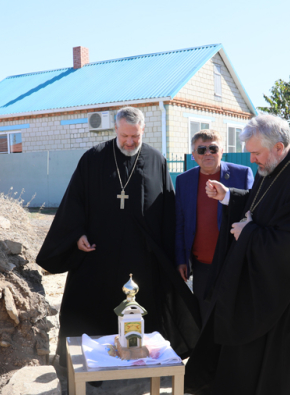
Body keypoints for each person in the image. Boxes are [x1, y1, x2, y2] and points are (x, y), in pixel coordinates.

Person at [184, 114, 290, 395]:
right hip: (259, 282)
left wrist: (248, 233)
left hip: (282, 290)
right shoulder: (273, 167)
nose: (252, 160)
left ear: (278, 147)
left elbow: (289, 242)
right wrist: (229, 196)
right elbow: (258, 204)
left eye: (256, 153)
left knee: (273, 357)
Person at [36, 107, 200, 368]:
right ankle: (92, 365)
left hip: (142, 259)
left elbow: (169, 214)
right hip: (100, 254)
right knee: (92, 309)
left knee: (144, 311)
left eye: (135, 136)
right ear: (115, 130)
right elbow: (74, 202)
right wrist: (77, 234)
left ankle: (141, 364)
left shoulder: (156, 160)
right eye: (125, 136)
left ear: (143, 130)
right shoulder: (93, 159)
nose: (130, 142)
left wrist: (177, 257)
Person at [175, 130, 253, 325]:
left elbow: (253, 212)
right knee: (204, 316)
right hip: (202, 266)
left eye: (213, 148)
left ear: (222, 151)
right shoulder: (184, 181)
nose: (207, 153)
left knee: (232, 316)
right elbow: (180, 223)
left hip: (233, 262)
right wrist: (181, 259)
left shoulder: (241, 174)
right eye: (201, 149)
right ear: (193, 155)